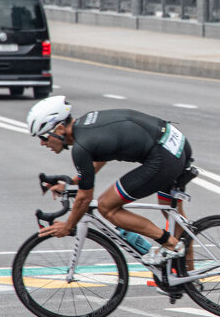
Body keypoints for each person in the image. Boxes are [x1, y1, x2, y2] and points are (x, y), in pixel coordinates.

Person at [25, 96, 191, 263]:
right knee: (173, 215)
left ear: (60, 129)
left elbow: (84, 198)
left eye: (44, 136)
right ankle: (188, 281)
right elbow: (101, 154)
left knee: (106, 206)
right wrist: (74, 183)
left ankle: (170, 244)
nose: (42, 143)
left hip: (164, 158)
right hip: (176, 143)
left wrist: (68, 226)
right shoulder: (86, 126)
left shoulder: (81, 147)